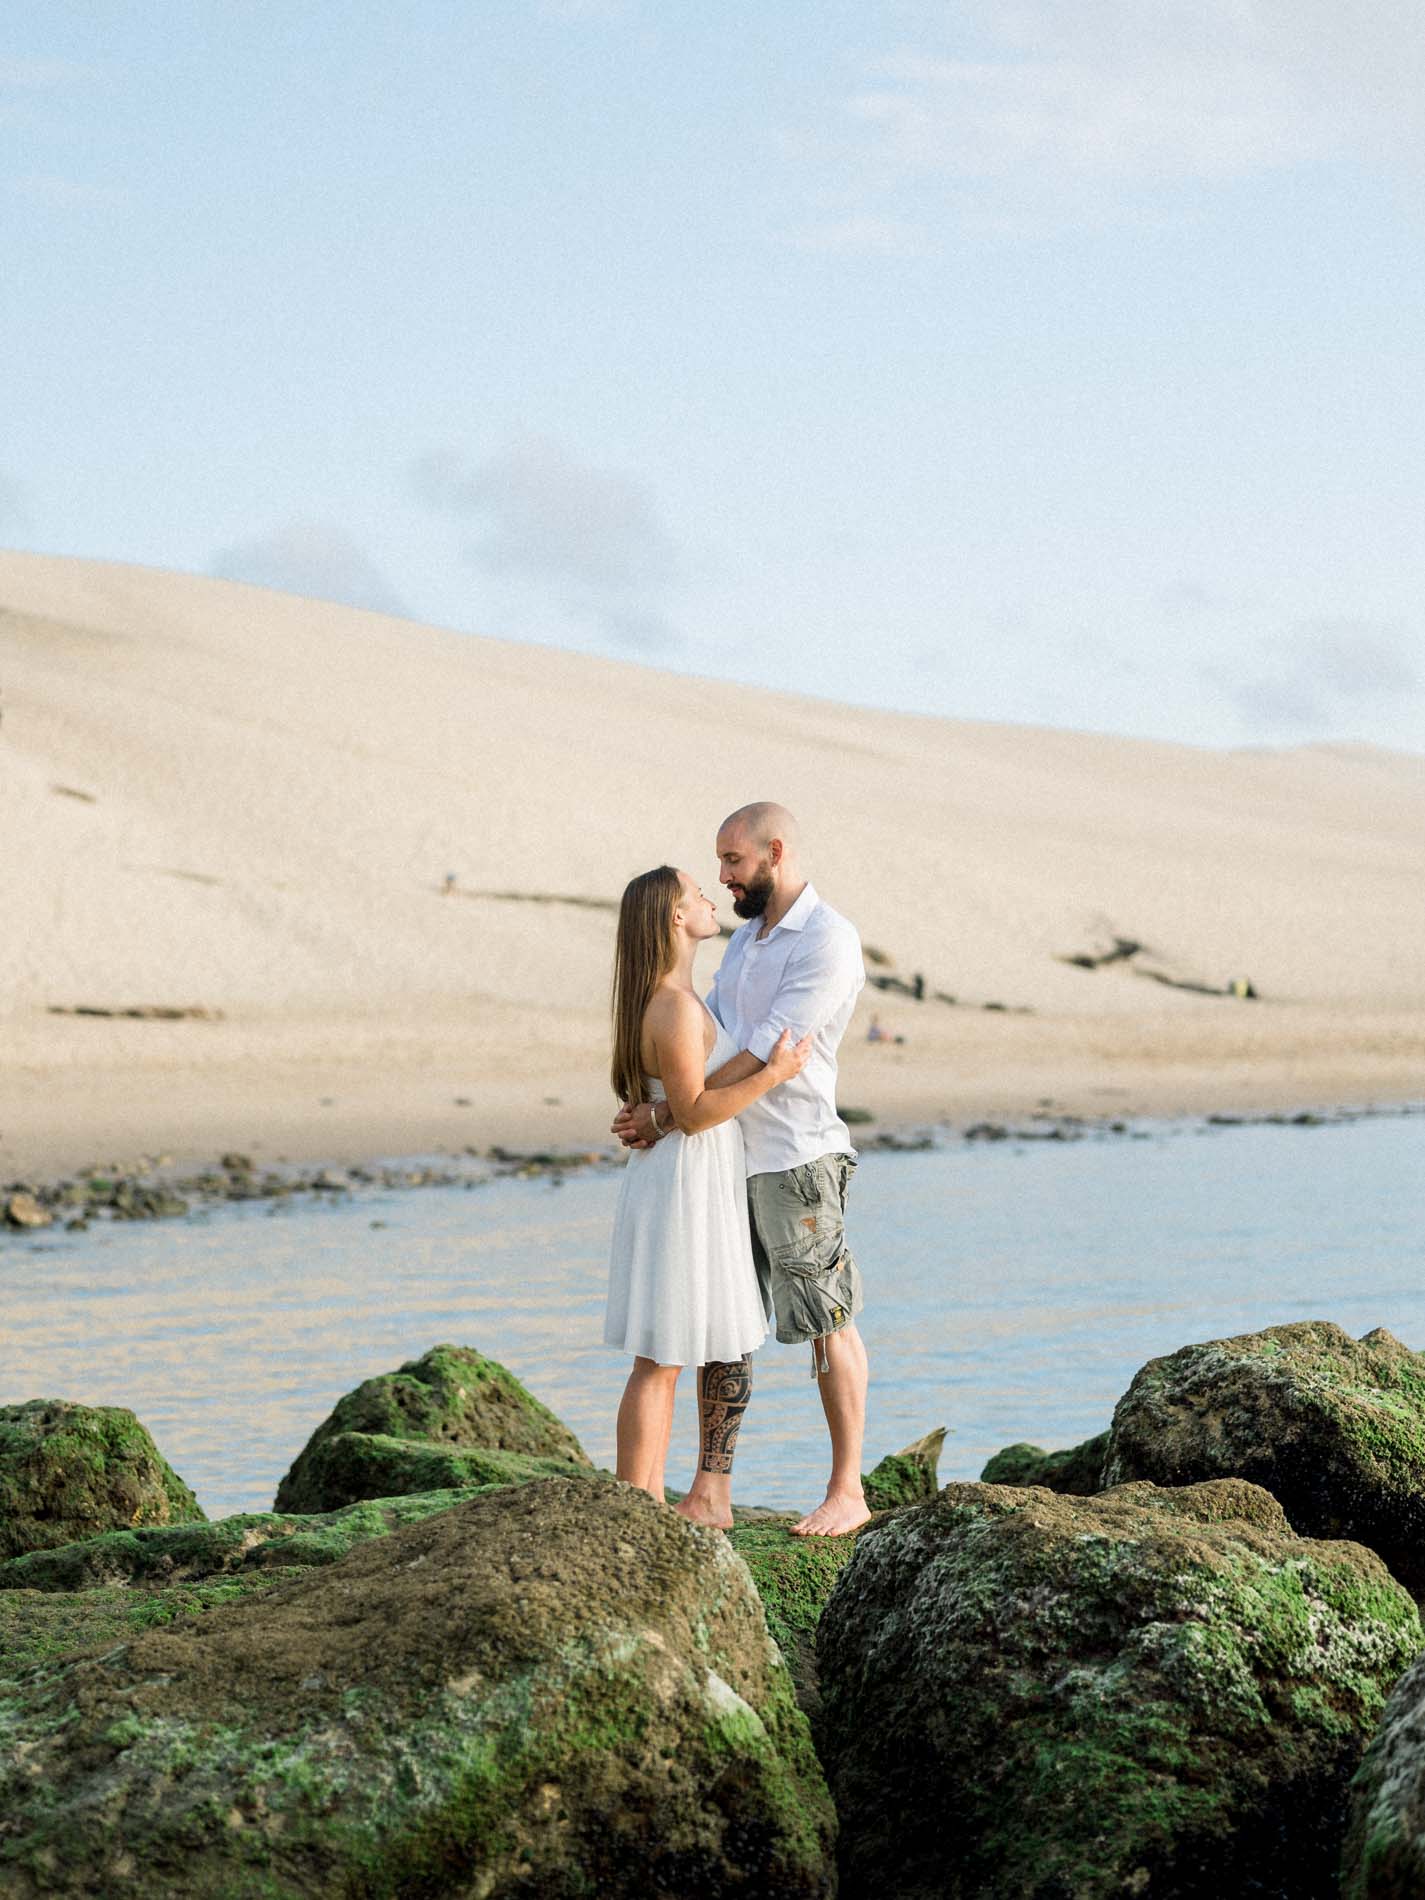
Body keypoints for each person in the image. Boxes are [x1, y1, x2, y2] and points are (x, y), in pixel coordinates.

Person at [613, 803, 870, 1537]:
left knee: (827, 1320)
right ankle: (709, 1491)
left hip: (793, 1155)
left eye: (731, 862)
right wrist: (672, 1109)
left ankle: (846, 1488)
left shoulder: (826, 939)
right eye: (717, 866)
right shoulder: (748, 942)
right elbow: (704, 1038)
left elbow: (764, 1048)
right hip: (722, 1159)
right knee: (721, 1329)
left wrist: (670, 1114)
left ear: (774, 852)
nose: (723, 879)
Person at [606, 862, 811, 1526]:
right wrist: (774, 1073)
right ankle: (636, 1502)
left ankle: (648, 1498)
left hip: (688, 1174)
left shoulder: (673, 998)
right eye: (695, 893)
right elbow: (693, 1111)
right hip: (682, 1179)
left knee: (668, 1349)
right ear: (673, 915)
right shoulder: (669, 1004)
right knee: (661, 1352)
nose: (706, 899)